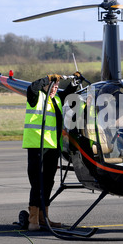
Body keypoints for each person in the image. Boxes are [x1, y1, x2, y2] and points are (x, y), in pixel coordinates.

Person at [22, 72, 82, 231]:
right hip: (38, 147)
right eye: (52, 86)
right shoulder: (36, 97)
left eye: (56, 86)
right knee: (37, 183)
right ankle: (33, 219)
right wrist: (47, 78)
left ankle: (44, 217)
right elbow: (31, 87)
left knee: (48, 181)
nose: (55, 89)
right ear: (45, 86)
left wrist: (75, 82)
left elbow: (68, 94)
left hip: (53, 147)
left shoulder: (55, 99)